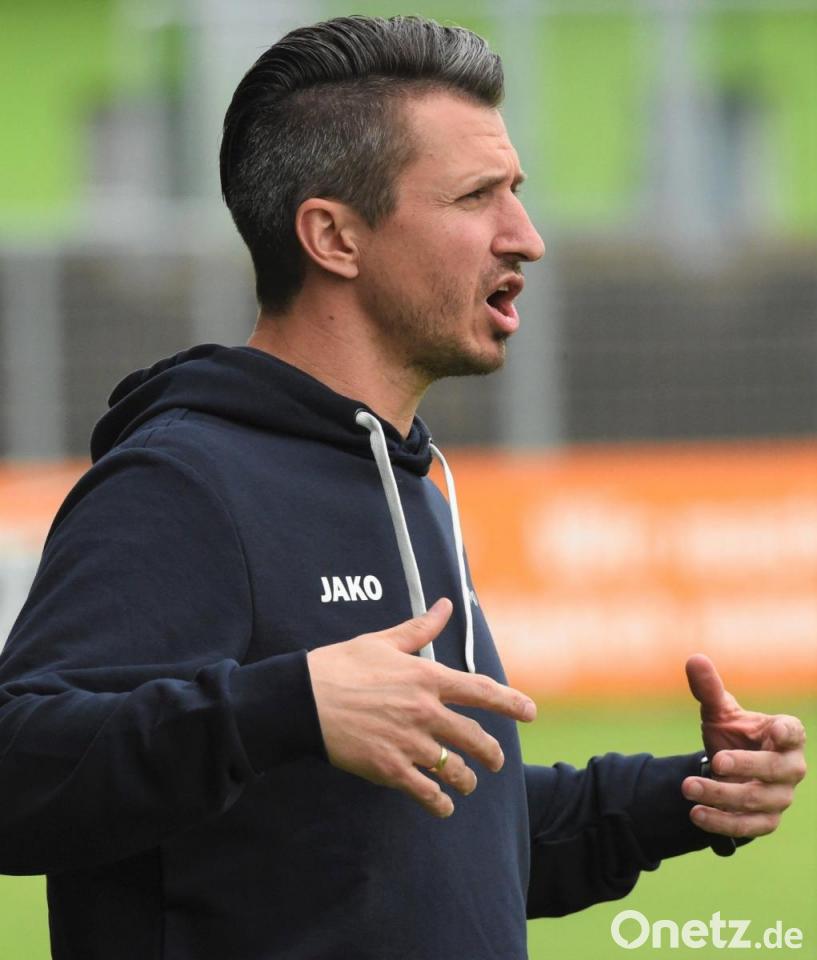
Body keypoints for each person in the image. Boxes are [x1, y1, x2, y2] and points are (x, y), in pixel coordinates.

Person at [0, 15, 806, 960]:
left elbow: (429, 848)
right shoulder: (183, 483)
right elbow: (19, 770)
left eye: (516, 192)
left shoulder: (406, 479)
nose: (526, 238)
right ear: (333, 237)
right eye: (475, 198)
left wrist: (680, 797)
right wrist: (287, 706)